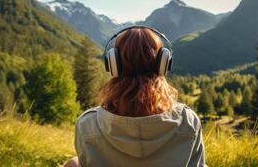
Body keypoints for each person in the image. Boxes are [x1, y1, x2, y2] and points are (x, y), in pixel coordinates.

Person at [64, 26, 205, 167]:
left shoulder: (87, 124)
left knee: (73, 164)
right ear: (163, 63)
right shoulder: (188, 121)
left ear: (113, 64)